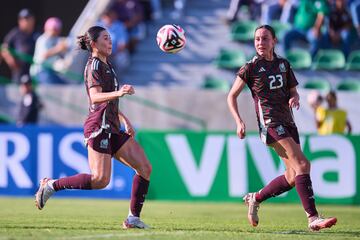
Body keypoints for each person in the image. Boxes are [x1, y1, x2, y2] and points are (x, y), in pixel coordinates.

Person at [34, 26, 152, 229]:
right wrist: (119, 93)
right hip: (98, 126)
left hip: (113, 126)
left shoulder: (108, 66)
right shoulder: (94, 66)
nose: (110, 41)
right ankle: (51, 185)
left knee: (144, 167)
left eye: (110, 38)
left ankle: (133, 219)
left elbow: (108, 102)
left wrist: (124, 119)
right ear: (94, 44)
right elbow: (96, 97)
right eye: (105, 38)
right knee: (100, 180)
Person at [227, 24, 337, 231]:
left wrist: (294, 98)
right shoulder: (249, 68)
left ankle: (255, 198)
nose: (260, 42)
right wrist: (239, 121)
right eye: (257, 39)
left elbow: (293, 91)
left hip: (288, 122)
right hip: (270, 124)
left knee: (293, 176)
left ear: (274, 41)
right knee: (303, 164)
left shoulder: (284, 65)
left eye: (265, 38)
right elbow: (231, 96)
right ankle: (313, 218)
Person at [1, 9, 39, 84]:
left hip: (33, 70)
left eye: (27, 19)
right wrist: (11, 61)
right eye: (22, 19)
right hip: (19, 71)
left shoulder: (37, 34)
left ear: (33, 20)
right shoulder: (15, 33)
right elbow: (4, 48)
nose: (25, 21)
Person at [31, 17, 68, 84]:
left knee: (64, 85)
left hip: (52, 71)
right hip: (40, 71)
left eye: (56, 29)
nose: (54, 31)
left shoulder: (57, 39)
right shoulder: (42, 39)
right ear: (46, 28)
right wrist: (59, 48)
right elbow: (44, 55)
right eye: (52, 29)